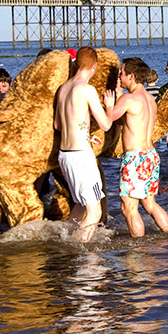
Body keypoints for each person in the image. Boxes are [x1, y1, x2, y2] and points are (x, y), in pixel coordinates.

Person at [52, 47, 115, 242]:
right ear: (94, 67)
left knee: (79, 207)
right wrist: (110, 105)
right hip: (81, 157)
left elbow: (58, 125)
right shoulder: (87, 90)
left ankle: (64, 245)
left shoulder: (63, 88)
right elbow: (105, 124)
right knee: (94, 212)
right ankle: (85, 262)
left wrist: (84, 135)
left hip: (65, 155)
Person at [111, 57, 168, 238]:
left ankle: (138, 251)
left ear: (131, 76)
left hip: (135, 158)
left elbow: (110, 119)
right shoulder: (149, 99)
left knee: (128, 208)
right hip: (151, 155)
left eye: (121, 74)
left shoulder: (129, 99)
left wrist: (109, 103)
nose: (119, 77)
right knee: (149, 204)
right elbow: (130, 121)